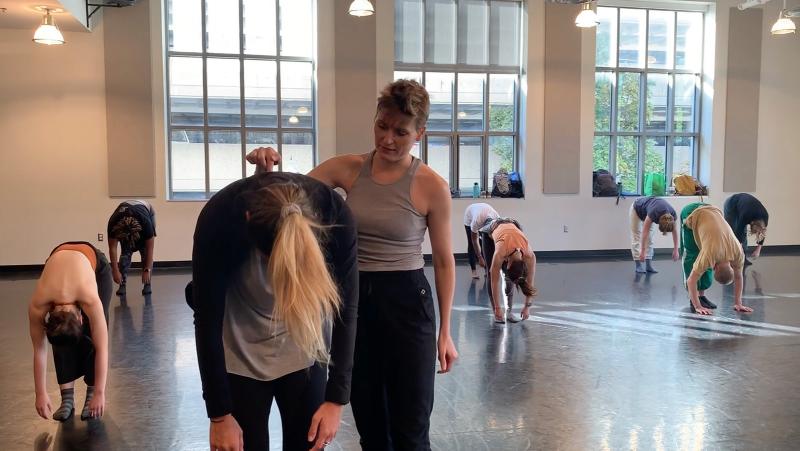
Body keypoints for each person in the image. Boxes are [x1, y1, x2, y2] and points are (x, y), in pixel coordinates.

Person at [246, 79, 458, 450]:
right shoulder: (348, 169)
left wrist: (445, 331)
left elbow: (442, 261)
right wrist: (265, 170)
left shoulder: (431, 186)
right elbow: (284, 200)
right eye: (382, 126)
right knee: (371, 425)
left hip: (408, 303)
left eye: (401, 132)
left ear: (420, 133)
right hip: (353, 301)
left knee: (411, 427)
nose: (388, 138)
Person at [189, 173, 359, 451]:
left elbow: (347, 309)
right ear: (246, 220)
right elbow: (206, 318)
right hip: (241, 352)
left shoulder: (334, 214)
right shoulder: (219, 217)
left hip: (305, 346)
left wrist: (336, 400)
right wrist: (219, 415)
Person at [28, 242, 111, 422]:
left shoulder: (89, 299)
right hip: (58, 257)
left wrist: (99, 392)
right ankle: (67, 397)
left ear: (82, 318)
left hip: (95, 265)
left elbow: (102, 348)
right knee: (60, 334)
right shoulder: (38, 303)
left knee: (95, 333)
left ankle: (91, 391)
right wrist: (40, 393)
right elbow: (39, 350)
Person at [680, 203, 752, 315]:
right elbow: (691, 281)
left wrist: (738, 303)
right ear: (715, 268)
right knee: (692, 256)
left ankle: (701, 296)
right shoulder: (710, 255)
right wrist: (697, 307)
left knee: (702, 262)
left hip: (712, 208)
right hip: (690, 213)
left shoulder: (738, 253)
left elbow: (738, 277)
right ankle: (694, 300)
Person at [479, 219, 537, 323]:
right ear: (508, 264)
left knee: (509, 279)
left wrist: (527, 307)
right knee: (490, 273)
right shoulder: (501, 251)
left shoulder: (530, 255)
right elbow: (494, 280)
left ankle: (508, 311)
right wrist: (497, 307)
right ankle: (496, 312)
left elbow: (530, 283)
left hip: (513, 228)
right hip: (492, 228)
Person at [107, 200, 156, 296]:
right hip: (126, 215)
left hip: (147, 210)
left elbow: (150, 249)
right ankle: (122, 284)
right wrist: (115, 271)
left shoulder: (146, 223)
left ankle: (147, 283)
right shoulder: (113, 224)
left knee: (145, 253)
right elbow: (112, 248)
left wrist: (147, 270)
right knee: (125, 255)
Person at [630, 196, 679, 273]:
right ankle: (638, 265)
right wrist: (642, 251)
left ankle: (648, 266)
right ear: (658, 222)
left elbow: (675, 232)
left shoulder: (672, 215)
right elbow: (644, 232)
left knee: (650, 238)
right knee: (637, 236)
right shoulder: (654, 213)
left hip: (649, 209)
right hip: (637, 208)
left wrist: (676, 249)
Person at [724, 193, 768, 265]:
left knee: (743, 233)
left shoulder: (765, 217)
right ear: (752, 223)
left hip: (743, 206)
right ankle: (729, 259)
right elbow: (739, 231)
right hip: (731, 204)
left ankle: (743, 259)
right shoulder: (746, 215)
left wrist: (758, 250)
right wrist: (739, 249)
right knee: (731, 230)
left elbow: (762, 233)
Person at [463, 203, 499, 279]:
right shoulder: (476, 221)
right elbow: (474, 240)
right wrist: (480, 257)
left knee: (483, 242)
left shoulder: (497, 219)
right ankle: (474, 271)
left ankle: (486, 269)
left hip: (484, 211)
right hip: (469, 215)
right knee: (472, 244)